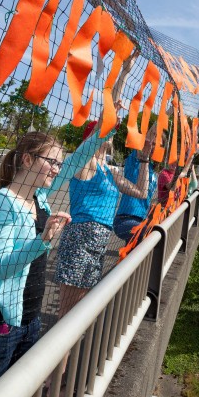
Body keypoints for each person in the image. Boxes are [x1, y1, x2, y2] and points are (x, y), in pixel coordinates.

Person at [0, 126, 105, 396]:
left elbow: (76, 161)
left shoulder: (39, 198)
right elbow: (1, 266)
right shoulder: (1, 204)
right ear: (27, 160)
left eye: (58, 164)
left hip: (29, 320)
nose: (56, 169)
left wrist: (104, 129)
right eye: (51, 161)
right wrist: (43, 241)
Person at [54, 122, 149, 321]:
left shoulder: (110, 172)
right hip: (79, 239)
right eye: (105, 131)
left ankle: (70, 352)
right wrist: (112, 104)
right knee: (68, 313)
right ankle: (61, 352)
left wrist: (145, 160)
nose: (111, 134)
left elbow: (141, 192)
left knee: (81, 311)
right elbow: (102, 127)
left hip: (98, 244)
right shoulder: (86, 164)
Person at [113, 123, 160, 243]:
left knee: (135, 254)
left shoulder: (152, 171)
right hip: (125, 219)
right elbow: (148, 138)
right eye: (152, 143)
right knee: (150, 233)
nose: (152, 146)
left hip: (142, 219)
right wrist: (168, 112)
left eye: (156, 144)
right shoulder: (135, 160)